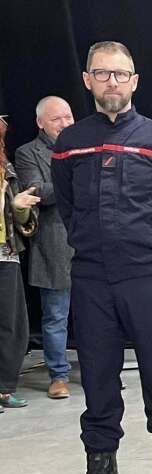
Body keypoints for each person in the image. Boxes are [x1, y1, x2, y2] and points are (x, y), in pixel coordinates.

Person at [51, 41, 152, 474]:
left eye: (120, 74)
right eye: (102, 73)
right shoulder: (70, 142)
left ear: (134, 81)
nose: (111, 82)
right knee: (97, 373)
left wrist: (151, 247)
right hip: (92, 277)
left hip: (145, 275)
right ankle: (101, 469)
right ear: (87, 80)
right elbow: (68, 206)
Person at [15, 96, 76, 399]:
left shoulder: (86, 144)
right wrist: (81, 182)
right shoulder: (27, 153)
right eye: (56, 119)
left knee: (100, 314)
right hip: (53, 245)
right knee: (55, 316)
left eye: (68, 117)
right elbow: (36, 191)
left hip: (93, 242)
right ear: (40, 123)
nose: (65, 124)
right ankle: (58, 376)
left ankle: (102, 371)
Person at [1, 115, 40, 412]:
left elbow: (22, 221)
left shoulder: (7, 172)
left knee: (11, 324)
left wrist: (19, 209)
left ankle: (4, 388)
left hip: (5, 253)